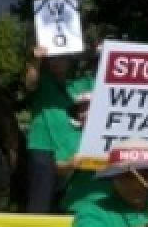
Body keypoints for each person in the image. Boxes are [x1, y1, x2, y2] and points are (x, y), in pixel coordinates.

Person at [23, 45, 94, 213]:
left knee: (75, 202)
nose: (57, 63)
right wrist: (36, 61)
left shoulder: (86, 82)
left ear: (70, 61)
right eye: (53, 59)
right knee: (40, 204)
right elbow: (30, 83)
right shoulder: (44, 80)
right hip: (43, 147)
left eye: (62, 58)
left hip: (75, 147)